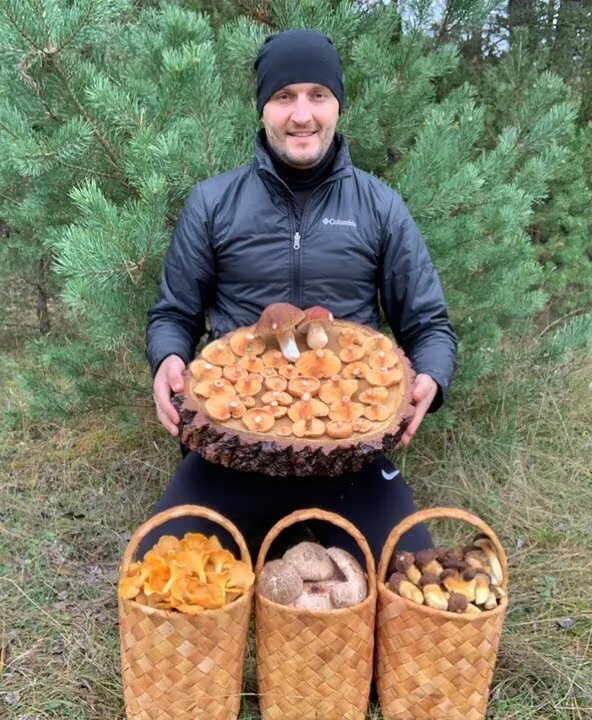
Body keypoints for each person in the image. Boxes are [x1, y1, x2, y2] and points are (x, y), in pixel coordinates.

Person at [140, 29, 457, 560]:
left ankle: (312, 525)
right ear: (263, 108)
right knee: (163, 570)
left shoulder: (379, 206)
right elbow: (173, 312)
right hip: (234, 446)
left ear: (338, 105)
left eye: (318, 95)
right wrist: (167, 357)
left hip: (349, 455)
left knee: (407, 579)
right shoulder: (214, 203)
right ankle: (264, 521)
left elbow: (428, 325)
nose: (302, 114)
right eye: (284, 96)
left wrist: (431, 375)